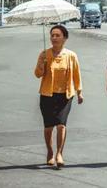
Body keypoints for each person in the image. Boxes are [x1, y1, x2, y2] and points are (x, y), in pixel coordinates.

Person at [34, 25, 83, 168]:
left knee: (61, 125)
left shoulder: (71, 55)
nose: (54, 38)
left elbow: (76, 75)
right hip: (47, 94)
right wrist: (42, 66)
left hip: (65, 95)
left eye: (57, 35)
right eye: (52, 35)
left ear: (65, 38)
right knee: (49, 126)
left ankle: (59, 153)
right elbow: (37, 74)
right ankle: (50, 152)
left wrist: (80, 92)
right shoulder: (44, 54)